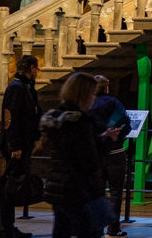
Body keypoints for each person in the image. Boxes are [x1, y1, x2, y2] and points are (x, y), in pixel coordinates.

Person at [40, 72, 105, 238]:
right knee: (89, 232)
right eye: (92, 94)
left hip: (58, 186)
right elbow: (87, 161)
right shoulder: (81, 123)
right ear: (82, 95)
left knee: (61, 230)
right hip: (79, 190)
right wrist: (104, 142)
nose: (94, 98)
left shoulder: (56, 119)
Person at [0, 55, 41, 238]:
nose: (37, 72)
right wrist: (14, 146)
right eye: (36, 68)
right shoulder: (16, 88)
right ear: (30, 67)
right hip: (16, 147)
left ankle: (9, 227)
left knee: (15, 186)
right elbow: (10, 118)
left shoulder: (26, 87)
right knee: (10, 188)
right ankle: (6, 229)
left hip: (24, 144)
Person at [89, 75, 130, 237]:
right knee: (115, 192)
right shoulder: (114, 103)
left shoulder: (89, 104)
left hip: (96, 155)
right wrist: (117, 138)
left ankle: (96, 228)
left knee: (97, 192)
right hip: (115, 153)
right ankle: (113, 229)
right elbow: (125, 122)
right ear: (107, 88)